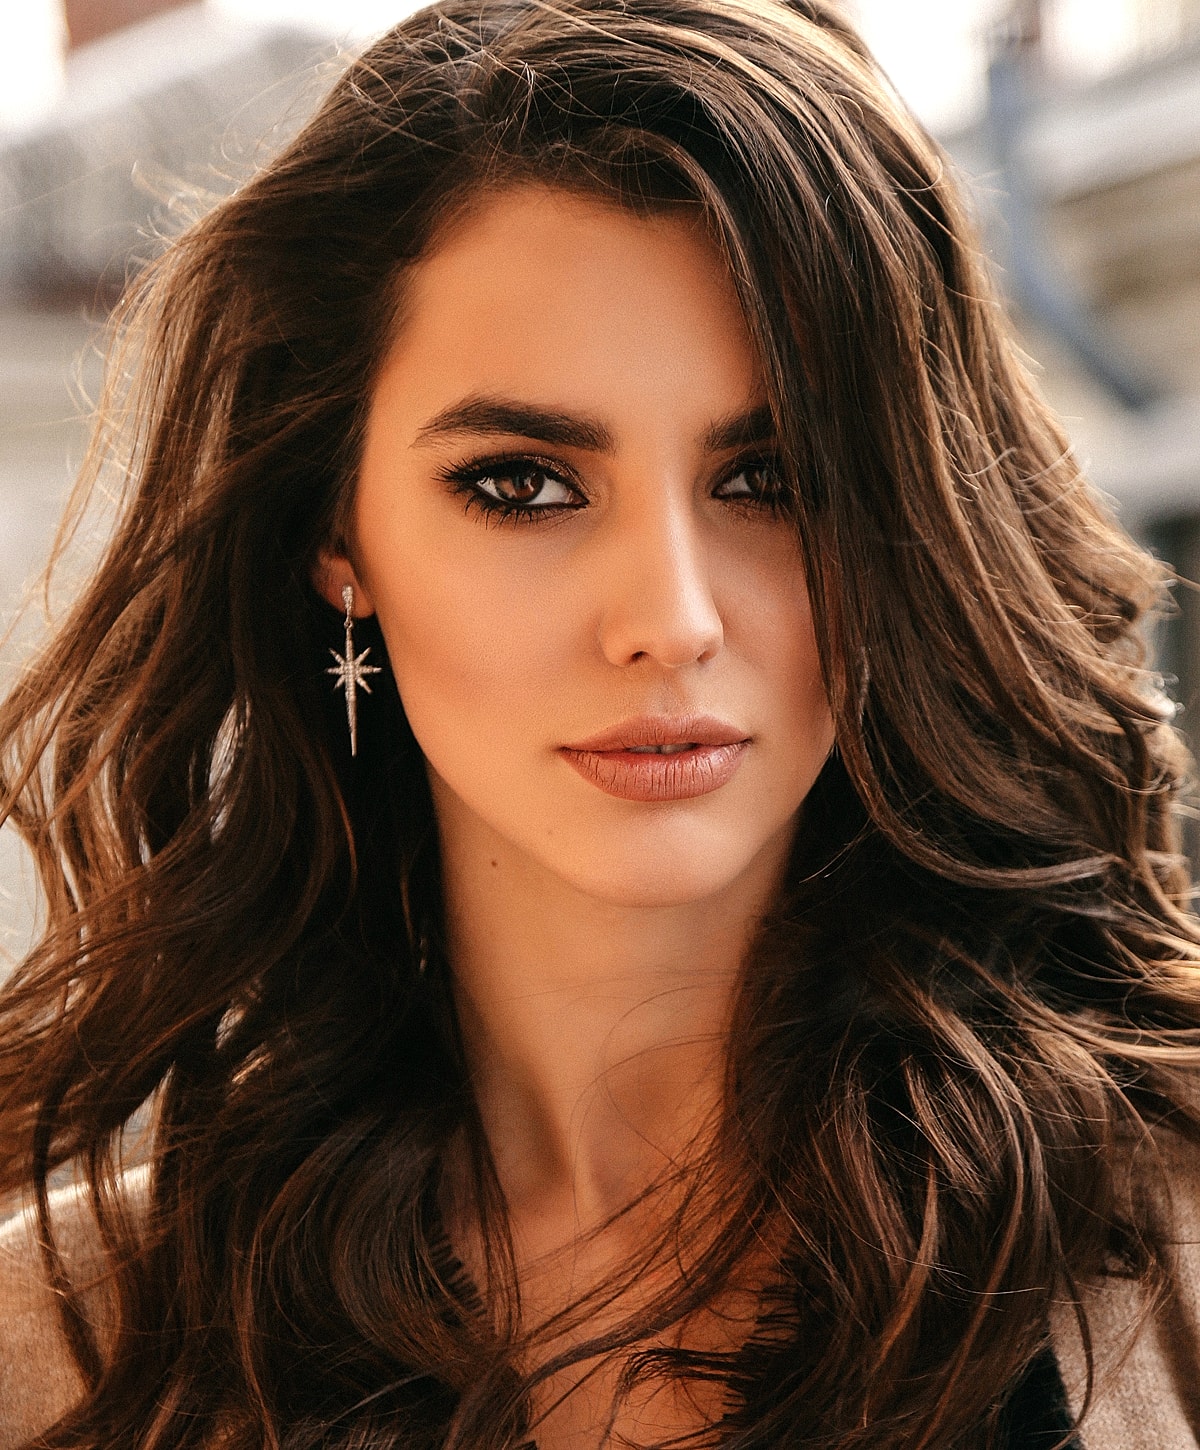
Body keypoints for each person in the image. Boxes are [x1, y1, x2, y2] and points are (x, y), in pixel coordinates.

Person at [1, 0, 1198, 1444]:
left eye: (774, 479)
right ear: (339, 533)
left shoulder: (1166, 1227)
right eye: (523, 484)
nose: (671, 617)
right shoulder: (70, 1335)